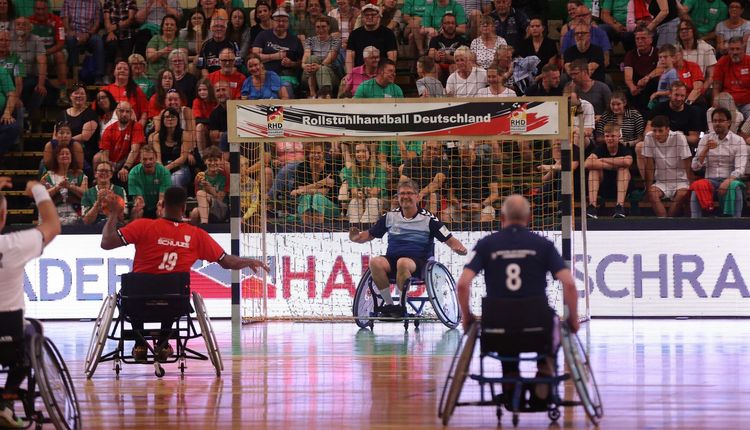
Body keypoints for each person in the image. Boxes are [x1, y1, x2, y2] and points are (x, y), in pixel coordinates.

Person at [100, 185, 268, 362]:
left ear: (162, 204)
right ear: (184, 208)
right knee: (171, 295)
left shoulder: (142, 225)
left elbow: (106, 242)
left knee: (134, 292)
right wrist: (247, 261)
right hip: (174, 304)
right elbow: (227, 262)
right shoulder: (196, 235)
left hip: (137, 303)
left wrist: (112, 214)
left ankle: (140, 343)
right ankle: (163, 343)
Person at [456, 194, 579, 401]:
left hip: (496, 328)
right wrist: (573, 319)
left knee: (506, 330)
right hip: (538, 326)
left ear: (502, 218)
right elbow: (569, 284)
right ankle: (544, 373)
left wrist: (467, 317)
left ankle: (511, 380)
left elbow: (462, 284)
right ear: (529, 218)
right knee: (555, 324)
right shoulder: (543, 245)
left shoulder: (487, 244)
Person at [349, 179, 468, 317]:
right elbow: (369, 235)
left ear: (417, 197)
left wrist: (459, 249)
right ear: (398, 197)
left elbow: (450, 240)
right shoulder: (390, 216)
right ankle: (389, 305)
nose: (405, 196)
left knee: (403, 262)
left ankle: (401, 305)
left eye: (409, 193)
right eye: (402, 193)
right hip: (393, 260)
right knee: (375, 262)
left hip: (420, 262)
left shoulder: (429, 219)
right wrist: (356, 238)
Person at [0, 177, 61, 428]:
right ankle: (6, 399)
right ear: (3, 216)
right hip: (8, 336)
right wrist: (37, 189)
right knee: (33, 329)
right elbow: (53, 225)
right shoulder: (14, 245)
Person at [690, 107, 748, 218]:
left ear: (729, 122)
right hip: (710, 181)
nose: (717, 123)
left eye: (721, 121)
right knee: (697, 187)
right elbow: (695, 167)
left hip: (729, 180)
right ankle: (695, 224)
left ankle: (736, 224)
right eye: (715, 121)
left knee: (735, 188)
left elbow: (740, 169)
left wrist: (728, 181)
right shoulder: (705, 139)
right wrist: (706, 149)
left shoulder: (738, 140)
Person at [642, 115, 693, 217]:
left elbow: (688, 164)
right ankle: (664, 222)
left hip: (681, 181)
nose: (657, 134)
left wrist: (691, 186)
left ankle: (668, 222)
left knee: (682, 195)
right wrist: (648, 188)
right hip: (661, 182)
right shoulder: (649, 137)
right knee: (652, 194)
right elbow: (649, 166)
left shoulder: (679, 137)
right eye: (654, 131)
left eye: (660, 131)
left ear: (668, 129)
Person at [584, 123, 632, 219]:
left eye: (613, 136)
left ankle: (620, 207)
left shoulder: (623, 149)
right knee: (593, 170)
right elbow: (587, 163)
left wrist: (603, 160)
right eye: (607, 136)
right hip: (603, 186)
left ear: (619, 136)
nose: (610, 139)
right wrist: (613, 165)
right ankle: (592, 207)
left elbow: (627, 162)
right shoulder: (600, 148)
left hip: (621, 187)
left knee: (623, 169)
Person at [96, 101, 145, 184]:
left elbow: (135, 150)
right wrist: (108, 170)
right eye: (121, 111)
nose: (124, 114)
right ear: (116, 112)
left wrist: (125, 168)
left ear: (131, 113)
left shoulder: (137, 126)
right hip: (114, 166)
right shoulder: (109, 129)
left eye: (127, 111)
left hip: (132, 166)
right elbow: (104, 154)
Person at [40, 144, 88, 225]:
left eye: (67, 153)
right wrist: (58, 187)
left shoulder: (80, 174)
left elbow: (85, 195)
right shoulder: (47, 177)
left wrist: (70, 186)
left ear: (71, 157)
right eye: (61, 154)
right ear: (56, 158)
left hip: (77, 215)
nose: (64, 155)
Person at [128, 143, 172, 219]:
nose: (148, 162)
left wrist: (160, 203)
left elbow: (162, 197)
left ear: (156, 158)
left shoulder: (164, 172)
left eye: (151, 159)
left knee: (161, 211)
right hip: (143, 206)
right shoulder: (133, 173)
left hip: (158, 205)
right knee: (137, 211)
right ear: (140, 160)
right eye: (145, 159)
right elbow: (138, 197)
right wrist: (138, 201)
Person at [190, 145, 228, 224]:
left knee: (201, 193)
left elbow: (220, 199)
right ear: (205, 161)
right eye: (210, 160)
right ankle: (196, 232)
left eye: (216, 160)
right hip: (205, 208)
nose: (213, 163)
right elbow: (198, 199)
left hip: (222, 209)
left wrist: (210, 189)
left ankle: (205, 225)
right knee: (194, 212)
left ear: (220, 160)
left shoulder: (224, 175)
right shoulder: (200, 177)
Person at [81, 161, 128, 225]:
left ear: (111, 174)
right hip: (94, 228)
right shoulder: (87, 193)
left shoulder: (120, 190)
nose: (103, 173)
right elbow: (86, 221)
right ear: (95, 174)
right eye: (101, 170)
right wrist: (98, 203)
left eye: (106, 171)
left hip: (115, 226)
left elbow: (122, 219)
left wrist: (112, 203)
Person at [145, 14, 187, 80]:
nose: (169, 26)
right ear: (162, 27)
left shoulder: (180, 41)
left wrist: (173, 53)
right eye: (166, 24)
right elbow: (150, 57)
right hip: (154, 76)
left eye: (172, 25)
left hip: (174, 77)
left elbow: (184, 58)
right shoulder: (155, 39)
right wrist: (162, 51)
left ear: (176, 28)